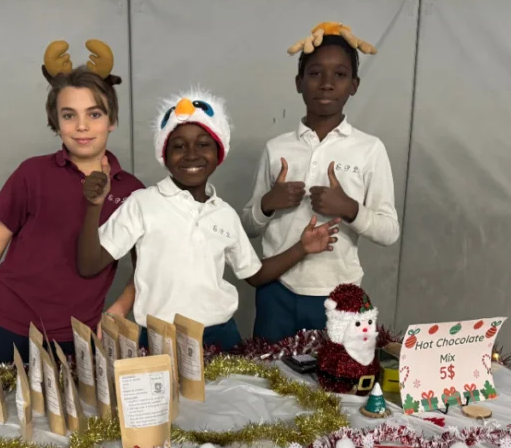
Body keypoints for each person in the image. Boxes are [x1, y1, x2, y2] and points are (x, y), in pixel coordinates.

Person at [76, 89, 338, 352]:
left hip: (220, 337)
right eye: (178, 146)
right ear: (164, 155)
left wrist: (302, 248)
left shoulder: (225, 214)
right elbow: (89, 264)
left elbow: (255, 274)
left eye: (203, 144)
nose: (191, 154)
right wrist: (94, 206)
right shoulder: (142, 203)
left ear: (218, 153)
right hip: (160, 338)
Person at [0, 39, 144, 365]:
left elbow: (147, 265)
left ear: (112, 120)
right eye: (69, 115)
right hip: (3, 328)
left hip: (78, 340)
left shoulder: (132, 191)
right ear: (56, 123)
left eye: (94, 114)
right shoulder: (31, 173)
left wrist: (118, 309)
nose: (82, 126)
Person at [241, 21, 400, 343]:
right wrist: (267, 204)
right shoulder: (277, 148)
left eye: (339, 74)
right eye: (315, 73)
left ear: (354, 85)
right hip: (276, 289)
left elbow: (389, 231)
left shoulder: (369, 149)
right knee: (268, 371)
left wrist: (349, 208)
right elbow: (248, 227)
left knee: (333, 373)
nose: (327, 84)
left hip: (339, 292)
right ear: (299, 83)